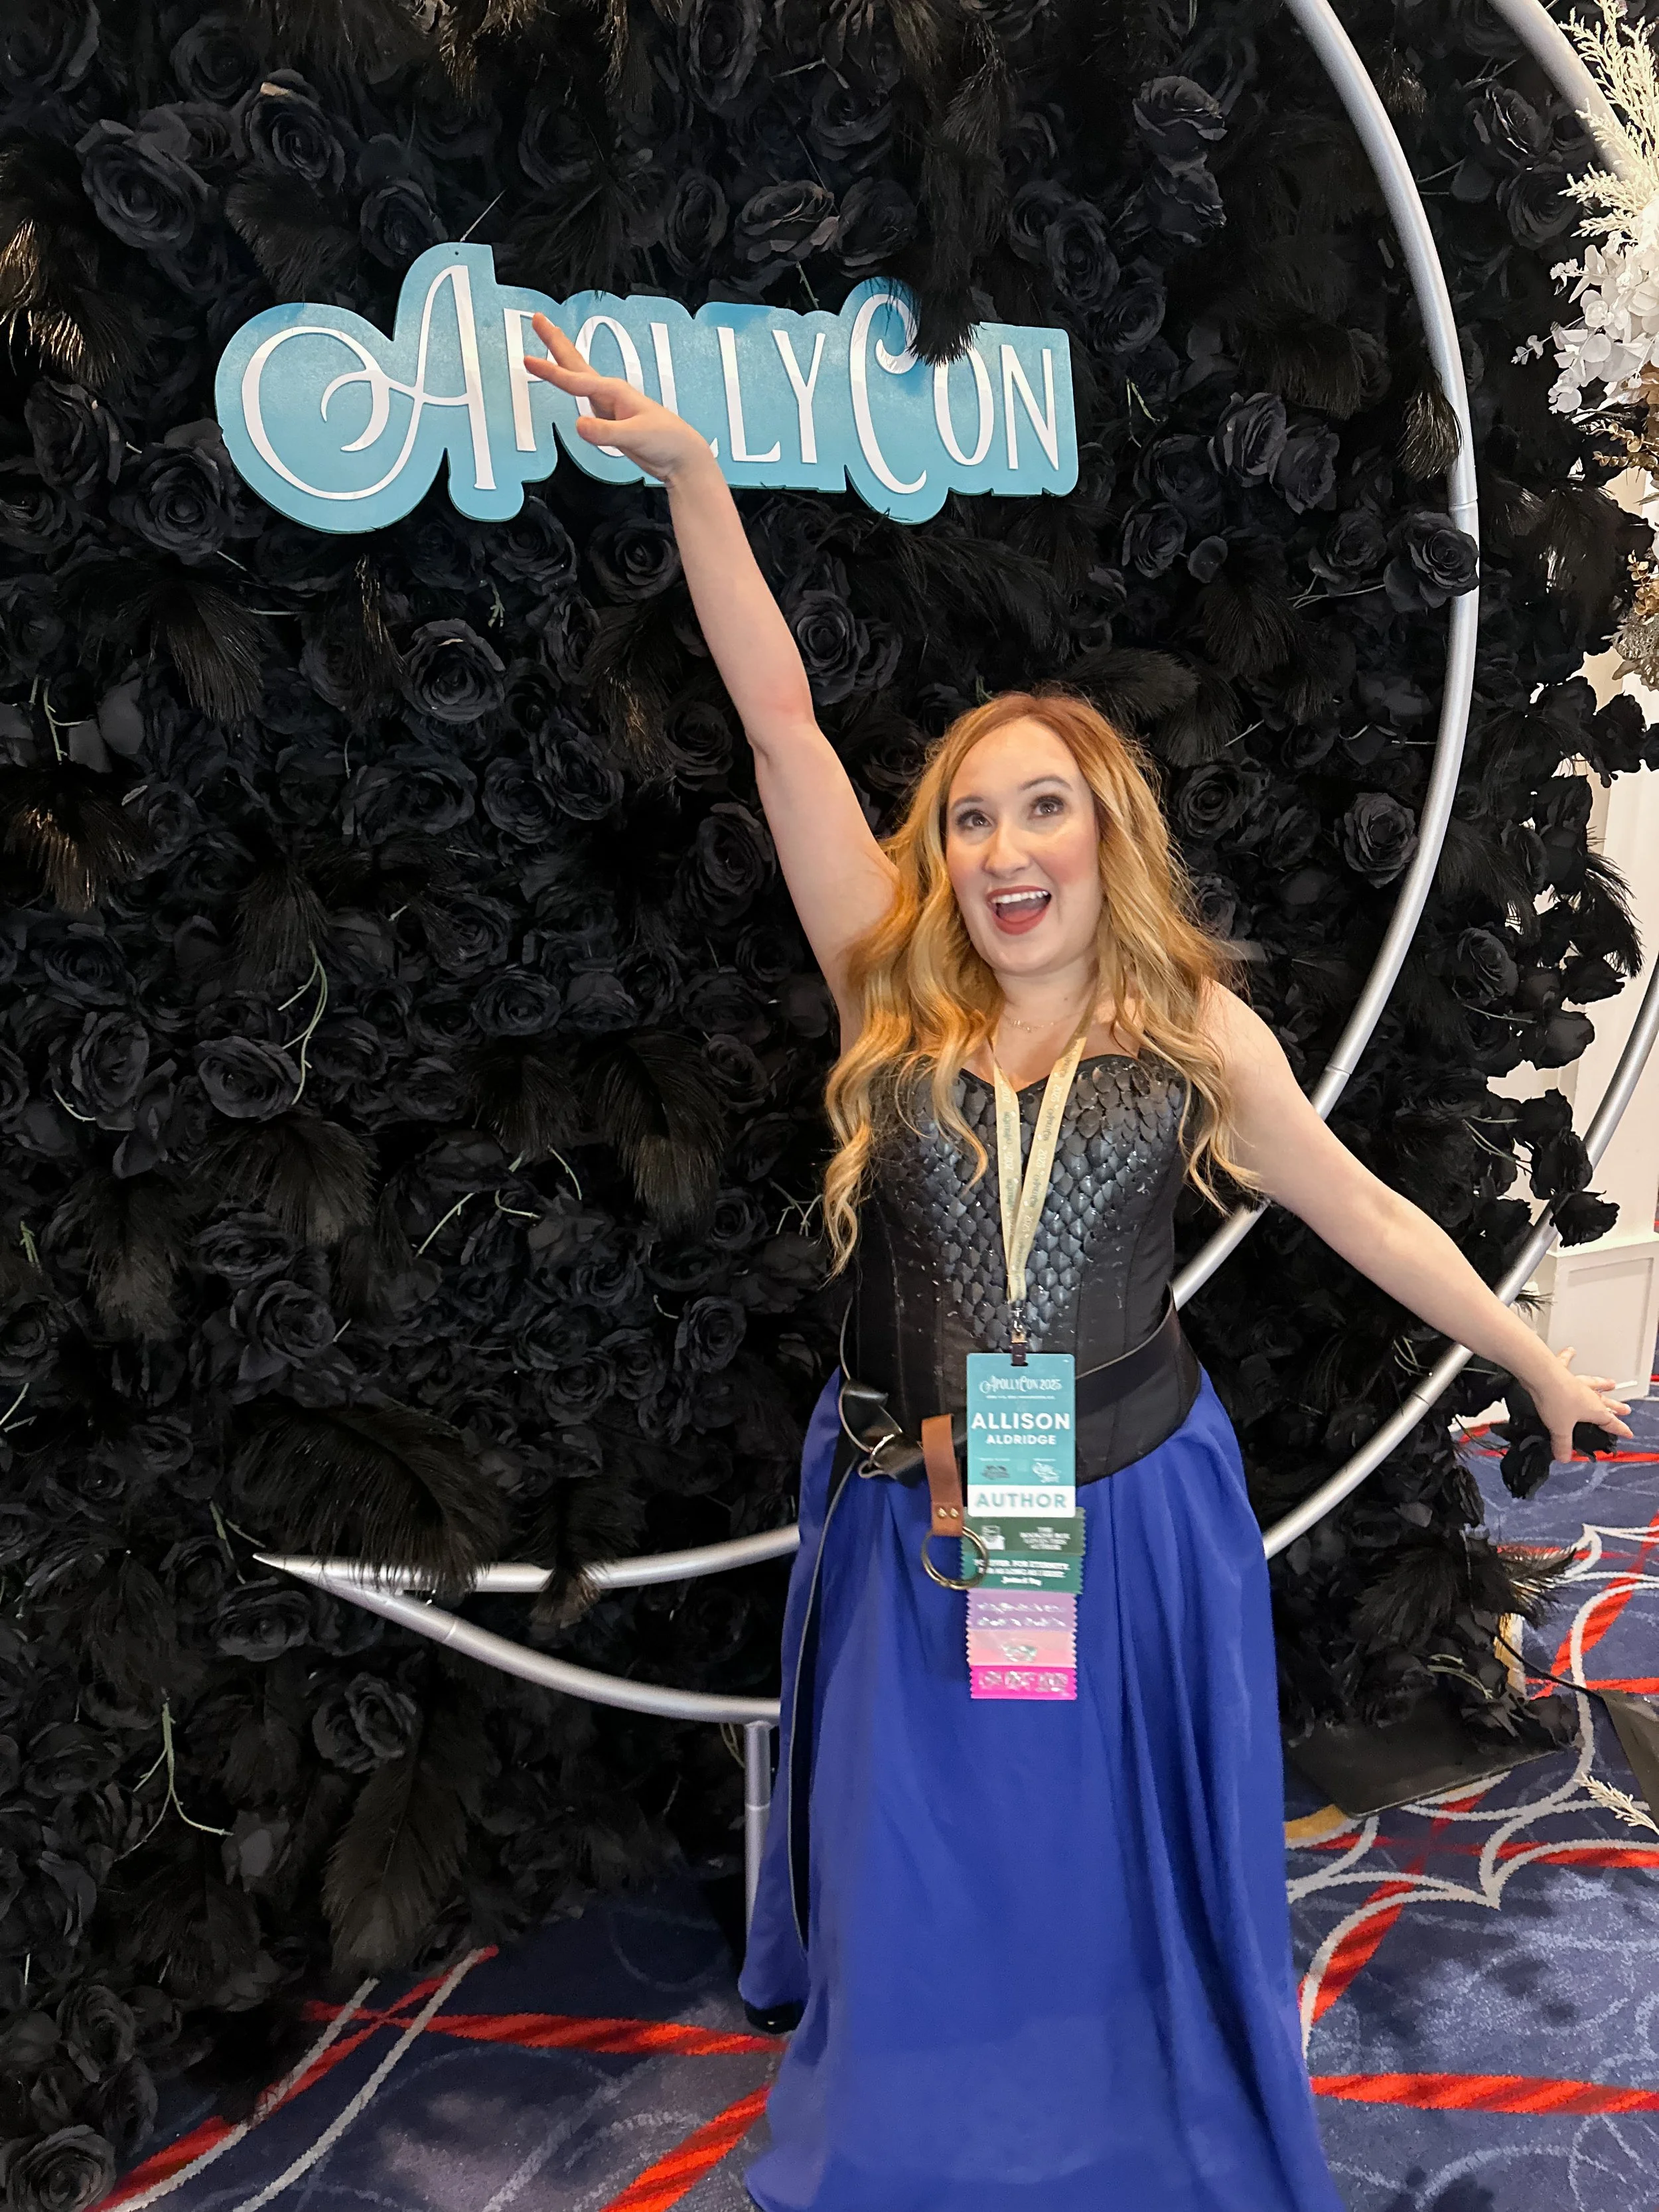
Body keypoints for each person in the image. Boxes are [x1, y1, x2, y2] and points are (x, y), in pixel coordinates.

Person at [524, 319, 1631, 2212]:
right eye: (970, 812)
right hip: (926, 1476)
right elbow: (781, 721)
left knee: (1048, 1824)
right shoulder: (888, 976)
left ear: (1102, 833)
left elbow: (1358, 1208)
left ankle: (1069, 2097)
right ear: (939, 854)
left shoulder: (1192, 1026)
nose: (1003, 843)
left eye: (1042, 803)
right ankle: (948, 2094)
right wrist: (697, 481)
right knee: (939, 1826)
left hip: (1089, 1474)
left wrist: (1528, 1364)